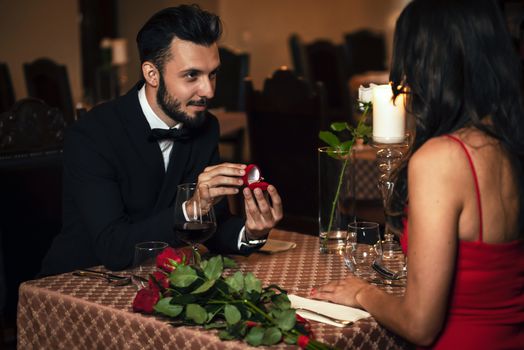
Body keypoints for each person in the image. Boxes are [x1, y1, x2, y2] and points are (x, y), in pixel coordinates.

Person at [312, 0, 524, 348]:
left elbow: (420, 323)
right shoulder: (506, 144)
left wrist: (363, 292)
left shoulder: (442, 158)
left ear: (428, 63)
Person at [40, 5, 282, 276]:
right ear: (151, 74)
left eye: (212, 73)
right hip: (76, 282)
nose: (209, 90)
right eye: (192, 75)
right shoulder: (92, 135)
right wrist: (191, 208)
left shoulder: (205, 126)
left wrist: (251, 231)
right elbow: (113, 248)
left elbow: (212, 225)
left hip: (157, 278)